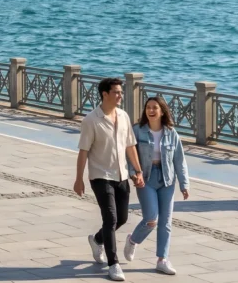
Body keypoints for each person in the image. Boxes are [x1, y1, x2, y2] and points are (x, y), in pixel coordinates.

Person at [73, 77, 145, 282]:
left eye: (121, 92)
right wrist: (79, 179)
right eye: (116, 92)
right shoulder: (91, 120)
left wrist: (138, 171)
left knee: (121, 218)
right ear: (104, 94)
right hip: (100, 176)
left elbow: (130, 146)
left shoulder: (123, 116)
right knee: (110, 218)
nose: (120, 95)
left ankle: (97, 240)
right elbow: (83, 151)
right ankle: (113, 264)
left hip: (121, 175)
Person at [124, 97, 189, 275]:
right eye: (148, 107)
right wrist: (133, 174)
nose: (151, 110)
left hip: (167, 179)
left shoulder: (171, 133)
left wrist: (184, 184)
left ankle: (162, 259)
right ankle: (133, 240)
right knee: (151, 218)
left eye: (155, 108)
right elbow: (129, 154)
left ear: (162, 111)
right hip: (145, 177)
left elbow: (179, 160)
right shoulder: (137, 130)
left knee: (166, 222)